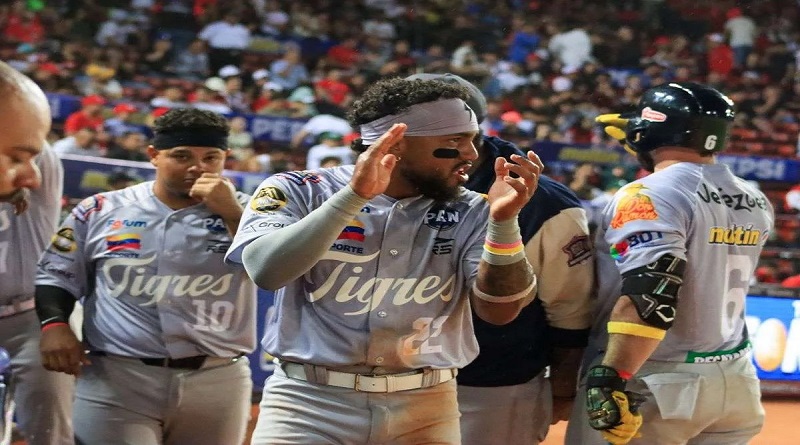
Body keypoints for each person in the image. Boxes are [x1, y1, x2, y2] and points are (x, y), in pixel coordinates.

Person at [226, 77, 543, 444]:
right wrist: (352, 198)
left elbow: (500, 311)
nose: (471, 154)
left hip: (426, 406)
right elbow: (266, 271)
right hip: (308, 403)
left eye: (472, 139)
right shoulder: (297, 189)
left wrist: (504, 223)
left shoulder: (473, 208)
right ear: (397, 143)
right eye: (454, 141)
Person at [566, 82, 773, 445]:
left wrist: (611, 377)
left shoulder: (648, 194)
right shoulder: (754, 197)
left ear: (647, 131)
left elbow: (651, 291)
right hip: (734, 377)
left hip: (659, 379)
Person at [34, 108, 258, 445]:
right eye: (182, 156)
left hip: (218, 376)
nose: (198, 167)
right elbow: (55, 274)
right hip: (118, 376)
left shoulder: (252, 211)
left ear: (225, 157)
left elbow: (277, 269)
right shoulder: (100, 209)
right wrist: (55, 325)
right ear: (154, 155)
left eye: (211, 157)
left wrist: (234, 215)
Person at [407, 73, 594, 445]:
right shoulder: (385, 181)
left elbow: (570, 308)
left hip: (489, 383)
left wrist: (562, 387)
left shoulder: (543, 202)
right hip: (386, 376)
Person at [0, 61, 74, 445]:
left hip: (28, 313)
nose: (32, 176)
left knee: (52, 428)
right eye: (15, 159)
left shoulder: (36, 155)